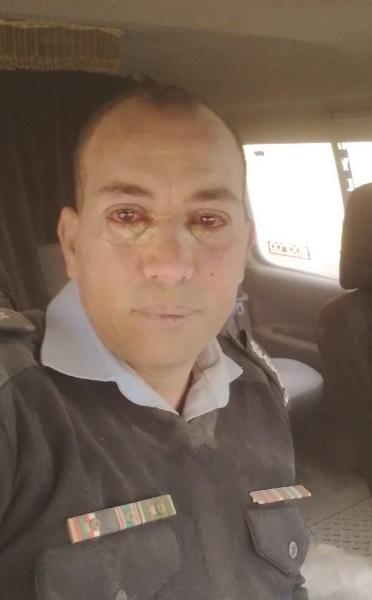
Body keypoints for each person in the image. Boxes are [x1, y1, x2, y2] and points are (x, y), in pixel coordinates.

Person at [0, 82, 309, 599]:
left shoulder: (256, 388)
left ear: (243, 248)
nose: (169, 265)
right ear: (72, 245)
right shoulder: (13, 409)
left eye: (207, 220)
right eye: (128, 215)